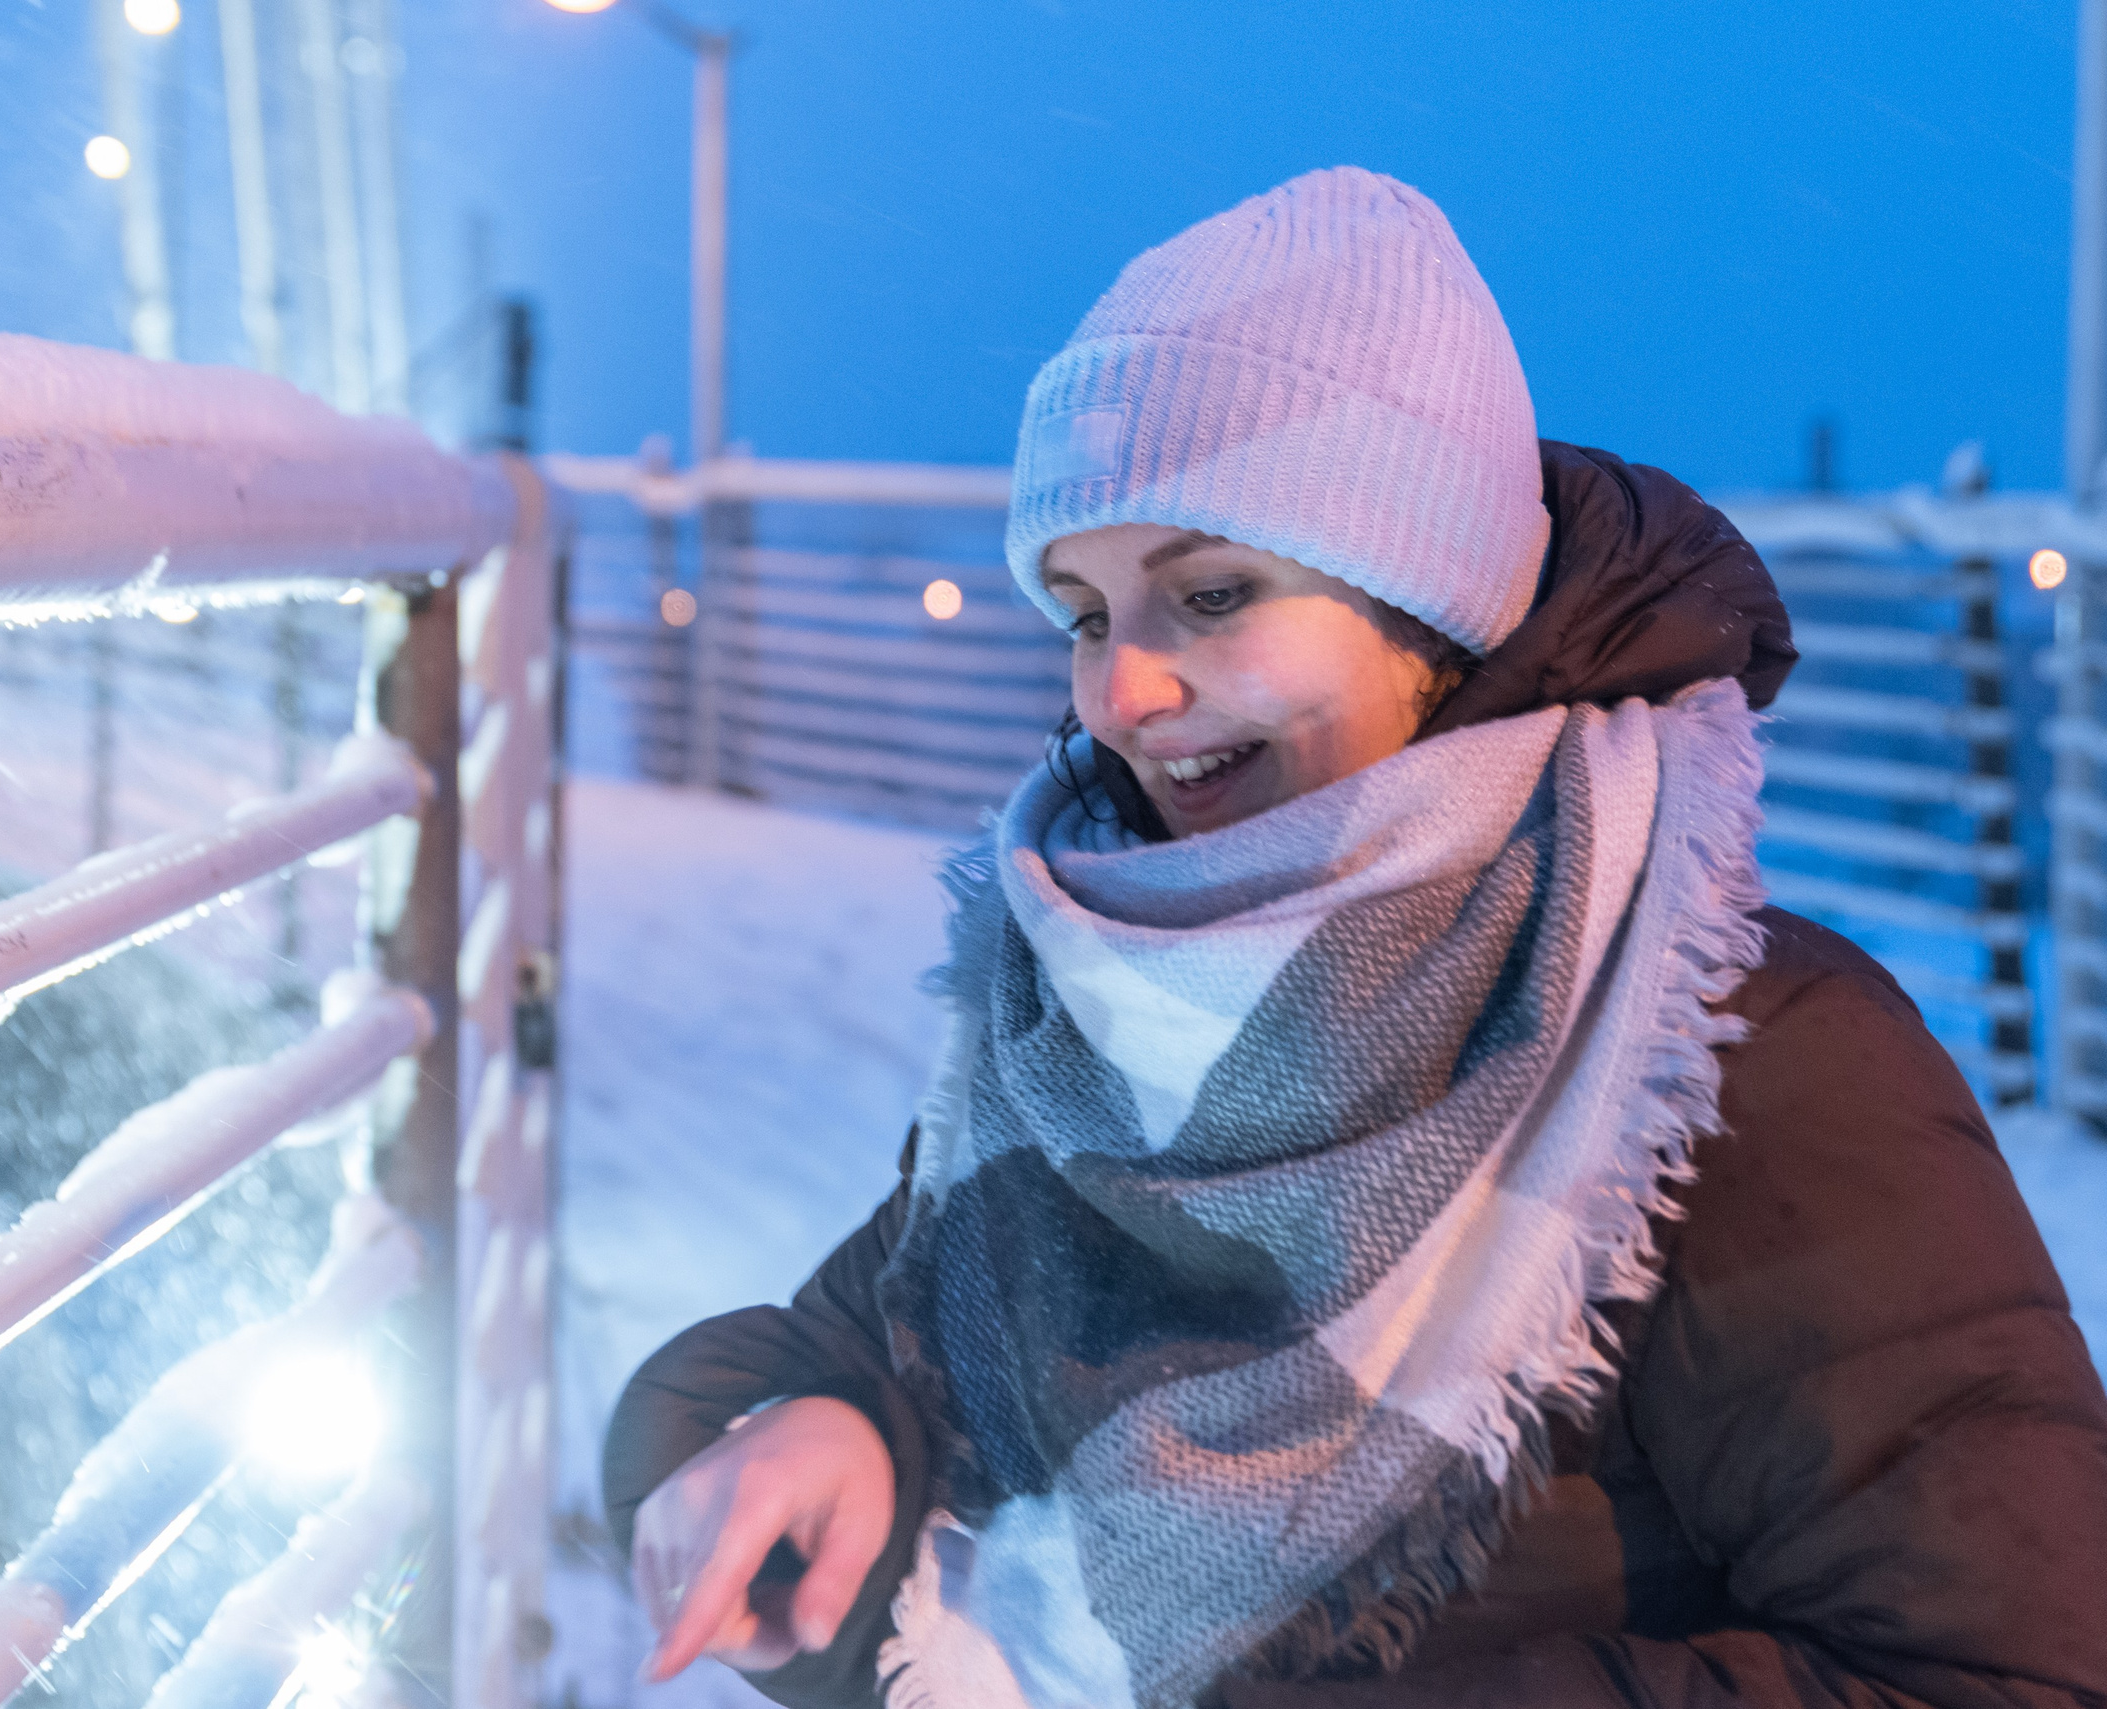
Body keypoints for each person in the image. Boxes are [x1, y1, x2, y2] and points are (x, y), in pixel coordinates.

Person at [602, 168, 2107, 1709]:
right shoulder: (1094, 999)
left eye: (1211, 590)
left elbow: (2004, 1673)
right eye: (1088, 609)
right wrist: (820, 1423)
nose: (1122, 694)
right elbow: (878, 1341)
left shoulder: (1732, 1049)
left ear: (1425, 597)